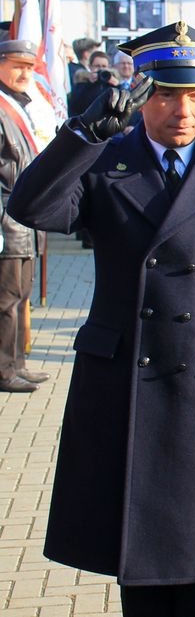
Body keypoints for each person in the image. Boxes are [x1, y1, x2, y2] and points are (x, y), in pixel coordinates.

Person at [8, 21, 195, 616]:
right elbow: (30, 206)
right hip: (122, 382)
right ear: (141, 94)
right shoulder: (105, 163)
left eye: (194, 94)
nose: (181, 109)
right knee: (139, 562)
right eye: (165, 93)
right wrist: (80, 133)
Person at [0, 39, 51, 393]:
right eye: (17, 65)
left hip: (25, 220)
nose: (25, 73)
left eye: (30, 67)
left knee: (20, 296)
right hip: (6, 218)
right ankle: (4, 370)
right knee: (5, 300)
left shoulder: (19, 106)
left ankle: (17, 363)